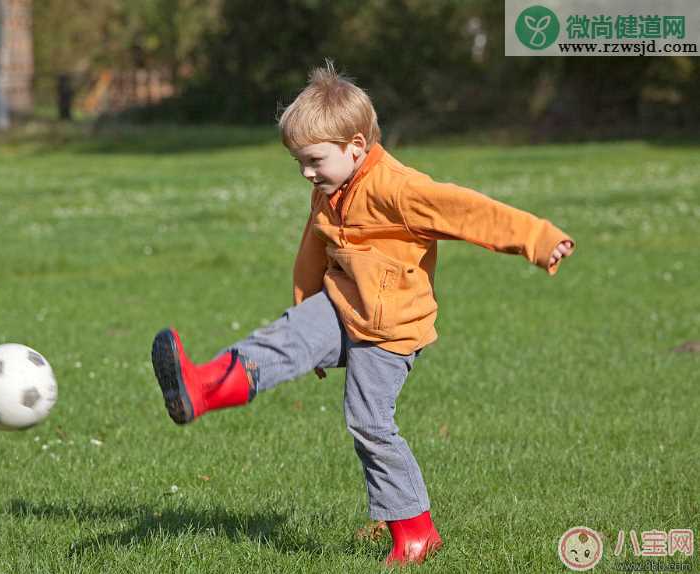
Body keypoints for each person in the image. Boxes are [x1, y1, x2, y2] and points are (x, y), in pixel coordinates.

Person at [149, 62, 575, 567]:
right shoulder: (329, 191)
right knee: (282, 338)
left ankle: (416, 530)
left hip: (390, 330)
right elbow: (311, 251)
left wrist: (538, 239)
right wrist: (307, 315)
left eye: (314, 160)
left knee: (369, 424)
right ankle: (201, 388)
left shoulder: (399, 189)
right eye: (299, 162)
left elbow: (468, 210)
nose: (307, 172)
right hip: (338, 305)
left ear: (355, 146)